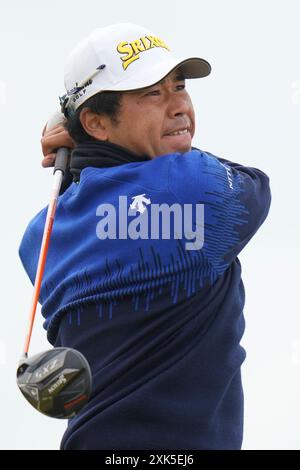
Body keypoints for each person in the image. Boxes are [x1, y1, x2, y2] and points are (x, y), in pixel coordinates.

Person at [19, 23, 271, 450]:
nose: (179, 107)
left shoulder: (40, 235)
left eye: (179, 86)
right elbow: (256, 187)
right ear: (96, 122)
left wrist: (79, 150)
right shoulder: (190, 187)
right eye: (152, 94)